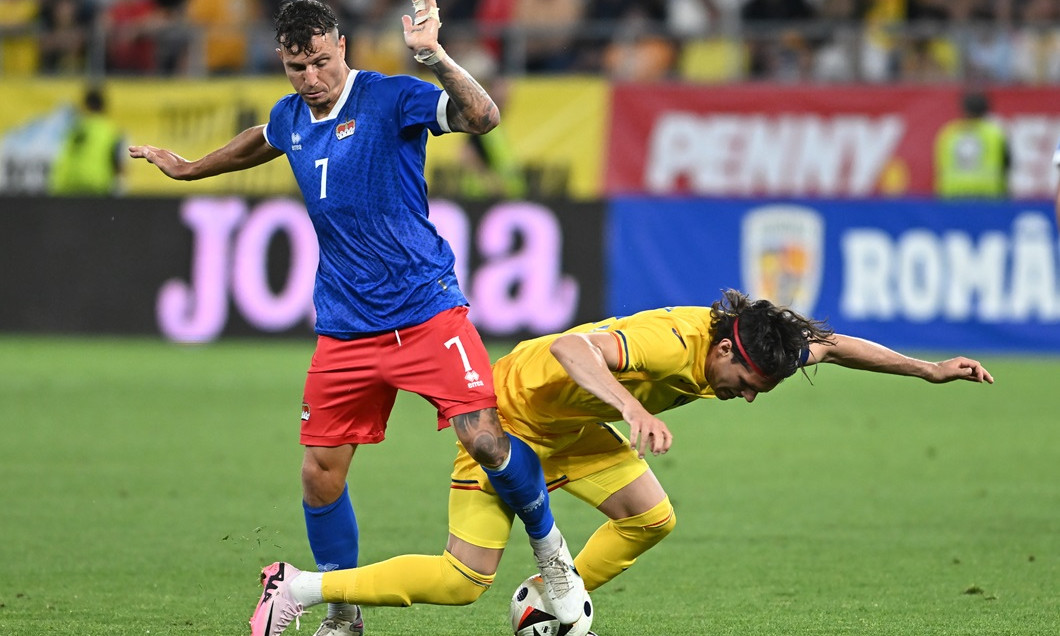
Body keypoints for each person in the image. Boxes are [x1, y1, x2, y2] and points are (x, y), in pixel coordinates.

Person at [128, 1, 586, 635]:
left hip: (427, 312)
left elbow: (483, 117)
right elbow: (259, 141)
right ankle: (343, 614)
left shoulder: (390, 96)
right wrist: (189, 166)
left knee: (483, 439)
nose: (311, 76)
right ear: (284, 63)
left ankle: (553, 556)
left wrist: (436, 58)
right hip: (345, 329)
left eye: (320, 60)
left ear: (342, 46)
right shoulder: (291, 116)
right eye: (296, 66)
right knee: (320, 474)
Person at [249, 289, 994, 634]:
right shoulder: (672, 341)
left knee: (651, 518)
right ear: (729, 350)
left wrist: (927, 370)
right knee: (460, 580)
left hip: (576, 426)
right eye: (748, 384)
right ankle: (299, 589)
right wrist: (633, 408)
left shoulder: (758, 343)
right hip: (510, 418)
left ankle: (543, 603)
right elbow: (573, 349)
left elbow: (831, 345)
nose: (750, 396)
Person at [48, 85, 125, 196]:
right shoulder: (112, 132)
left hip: (66, 187)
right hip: (95, 188)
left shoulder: (72, 128)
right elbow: (119, 165)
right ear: (104, 107)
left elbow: (58, 157)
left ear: (84, 106)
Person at [934, 90, 1011, 199]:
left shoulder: (948, 133)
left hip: (954, 195)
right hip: (987, 195)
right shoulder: (995, 133)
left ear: (963, 109)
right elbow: (1007, 165)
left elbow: (940, 165)